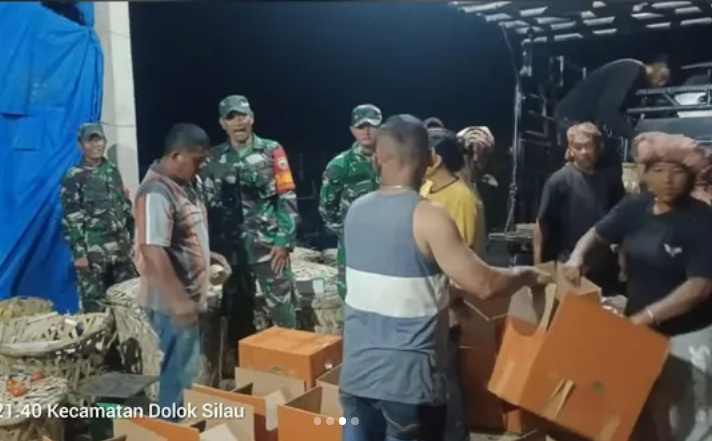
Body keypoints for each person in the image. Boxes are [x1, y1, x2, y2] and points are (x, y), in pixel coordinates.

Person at [339, 114, 552, 441]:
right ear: (430, 158)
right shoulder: (429, 217)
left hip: (356, 379)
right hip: (408, 386)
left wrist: (445, 295)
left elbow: (398, 278)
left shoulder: (356, 210)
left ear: (377, 159)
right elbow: (485, 284)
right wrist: (529, 274)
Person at [563, 132, 712, 441]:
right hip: (640, 332)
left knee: (691, 420)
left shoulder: (702, 220)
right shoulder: (634, 207)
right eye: (658, 170)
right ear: (645, 172)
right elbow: (597, 234)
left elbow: (699, 286)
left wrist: (646, 316)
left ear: (691, 176)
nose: (667, 179)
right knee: (645, 411)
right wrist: (577, 258)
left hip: (689, 336)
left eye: (677, 171)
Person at [134, 123, 230, 418]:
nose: (200, 168)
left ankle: (176, 424)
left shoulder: (182, 185)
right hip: (169, 303)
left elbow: (181, 237)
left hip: (184, 297)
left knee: (183, 372)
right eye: (196, 161)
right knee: (177, 376)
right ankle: (170, 427)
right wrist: (178, 300)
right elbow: (152, 249)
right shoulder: (156, 192)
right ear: (176, 156)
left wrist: (208, 257)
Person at [200, 94, 303, 366]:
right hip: (231, 253)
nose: (238, 122)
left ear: (252, 118)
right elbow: (204, 206)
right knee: (237, 313)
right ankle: (244, 371)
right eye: (231, 117)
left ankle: (294, 367)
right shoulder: (213, 158)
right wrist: (208, 250)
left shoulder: (272, 150)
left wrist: (284, 241)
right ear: (223, 123)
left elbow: (287, 196)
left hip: (270, 250)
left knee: (283, 311)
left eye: (243, 116)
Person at [420, 128, 481, 441]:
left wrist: (452, 299)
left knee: (448, 377)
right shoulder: (426, 188)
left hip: (447, 302)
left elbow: (466, 254)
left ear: (436, 157)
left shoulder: (461, 197)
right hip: (425, 300)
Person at [533, 122, 625, 296]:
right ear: (571, 149)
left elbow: (618, 220)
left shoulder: (608, 180)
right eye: (578, 147)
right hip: (570, 267)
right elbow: (542, 224)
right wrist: (539, 267)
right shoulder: (559, 181)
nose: (584, 152)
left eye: (588, 146)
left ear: (598, 147)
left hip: (603, 269)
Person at [60, 122, 136, 312]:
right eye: (90, 141)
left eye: (99, 140)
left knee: (127, 305)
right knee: (96, 308)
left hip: (121, 251)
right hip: (94, 254)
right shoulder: (73, 176)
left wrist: (132, 241)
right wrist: (80, 254)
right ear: (80, 145)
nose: (96, 145)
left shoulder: (112, 170)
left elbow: (124, 206)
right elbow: (71, 217)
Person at [554, 56, 671, 177]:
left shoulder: (631, 71)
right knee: (585, 171)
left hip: (581, 119)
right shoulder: (630, 69)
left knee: (605, 166)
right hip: (572, 118)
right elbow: (607, 110)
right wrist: (634, 136)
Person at [319, 104, 382, 303]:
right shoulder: (340, 165)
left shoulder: (394, 161)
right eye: (361, 126)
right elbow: (326, 208)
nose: (366, 131)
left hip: (388, 243)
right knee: (353, 297)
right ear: (352, 130)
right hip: (354, 246)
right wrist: (346, 233)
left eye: (372, 126)